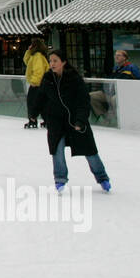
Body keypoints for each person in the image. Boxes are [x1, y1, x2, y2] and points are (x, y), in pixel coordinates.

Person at [42, 49, 111, 193]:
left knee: (89, 151)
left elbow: (83, 101)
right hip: (56, 121)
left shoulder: (74, 79)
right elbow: (41, 98)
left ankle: (102, 178)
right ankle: (60, 179)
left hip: (75, 120)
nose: (52, 64)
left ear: (63, 62)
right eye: (50, 61)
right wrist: (40, 114)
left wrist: (80, 120)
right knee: (57, 150)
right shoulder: (48, 78)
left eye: (55, 61)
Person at [23, 37, 50, 129]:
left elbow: (39, 70)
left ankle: (33, 119)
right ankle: (46, 120)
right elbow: (27, 61)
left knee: (32, 102)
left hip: (38, 83)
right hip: (42, 83)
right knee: (43, 102)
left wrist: (35, 82)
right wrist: (28, 51)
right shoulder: (36, 56)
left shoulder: (37, 56)